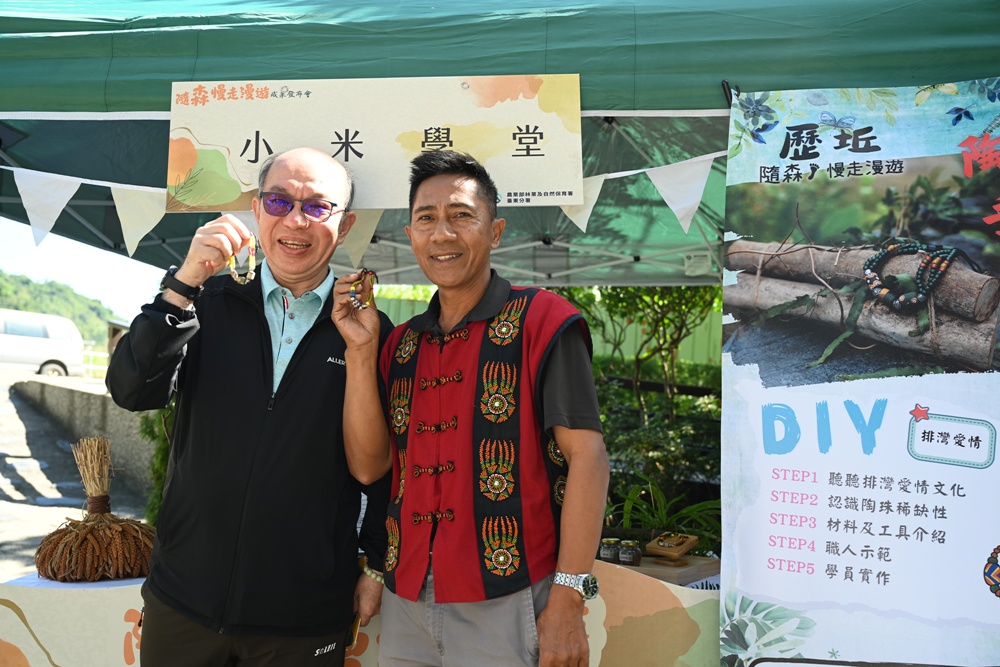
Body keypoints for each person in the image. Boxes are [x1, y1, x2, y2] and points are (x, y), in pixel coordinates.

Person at [106, 147, 393, 666]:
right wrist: (183, 282)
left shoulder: (370, 332)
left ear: (345, 224)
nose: (296, 221)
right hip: (184, 600)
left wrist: (375, 564)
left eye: (317, 207)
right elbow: (131, 390)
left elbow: (383, 471)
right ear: (257, 211)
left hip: (304, 613)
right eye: (279, 202)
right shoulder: (203, 305)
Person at [336, 150, 610, 667]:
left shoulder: (543, 321)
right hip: (406, 598)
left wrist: (568, 598)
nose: (442, 234)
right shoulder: (401, 346)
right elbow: (372, 467)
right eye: (426, 218)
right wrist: (360, 351)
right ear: (411, 234)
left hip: (506, 597)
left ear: (496, 231)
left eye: (462, 215)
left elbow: (588, 460)